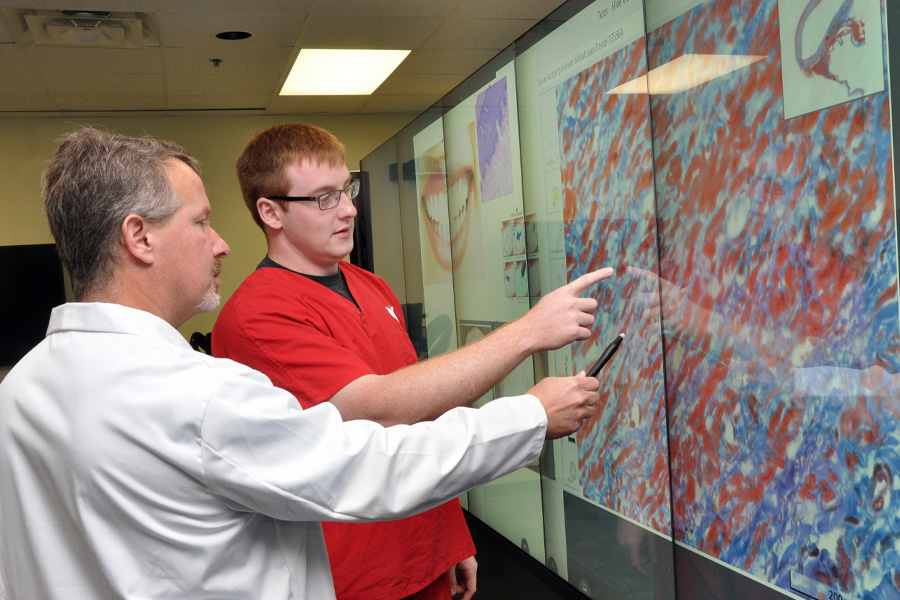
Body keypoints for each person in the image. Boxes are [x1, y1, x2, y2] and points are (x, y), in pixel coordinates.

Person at [0, 127, 603, 600]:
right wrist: (530, 413)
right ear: (140, 237)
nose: (220, 243)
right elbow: (363, 458)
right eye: (201, 221)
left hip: (418, 548)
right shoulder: (198, 393)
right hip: (359, 567)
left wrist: (448, 539)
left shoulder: (23, 388)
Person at [212, 123, 614, 600]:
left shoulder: (371, 287)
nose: (348, 208)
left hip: (423, 549)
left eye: (346, 189)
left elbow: (420, 416)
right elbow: (376, 407)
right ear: (270, 211)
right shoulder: (257, 314)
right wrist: (528, 333)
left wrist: (450, 538)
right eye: (324, 198)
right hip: (351, 575)